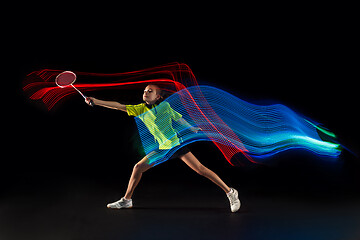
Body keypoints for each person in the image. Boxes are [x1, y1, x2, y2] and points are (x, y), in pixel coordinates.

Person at [85, 84, 241, 212]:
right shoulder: (140, 109)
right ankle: (127, 200)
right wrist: (96, 101)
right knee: (138, 167)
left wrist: (191, 129)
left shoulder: (165, 106)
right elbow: (119, 106)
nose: (146, 93)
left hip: (175, 144)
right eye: (145, 91)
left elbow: (177, 117)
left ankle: (230, 192)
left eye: (150, 91)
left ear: (158, 97)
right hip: (161, 147)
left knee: (200, 169)